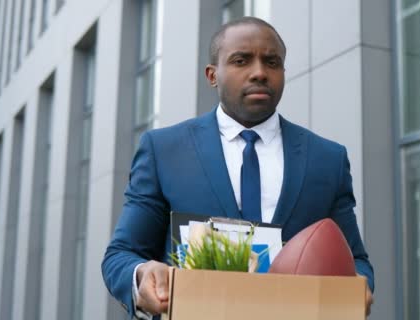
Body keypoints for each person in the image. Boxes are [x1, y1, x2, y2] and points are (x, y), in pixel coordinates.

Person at [101, 16, 374, 319]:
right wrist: (142, 275)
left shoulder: (327, 158)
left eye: (272, 62)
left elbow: (356, 260)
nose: (259, 73)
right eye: (241, 60)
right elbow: (120, 255)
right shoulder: (164, 150)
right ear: (212, 75)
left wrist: (357, 287)